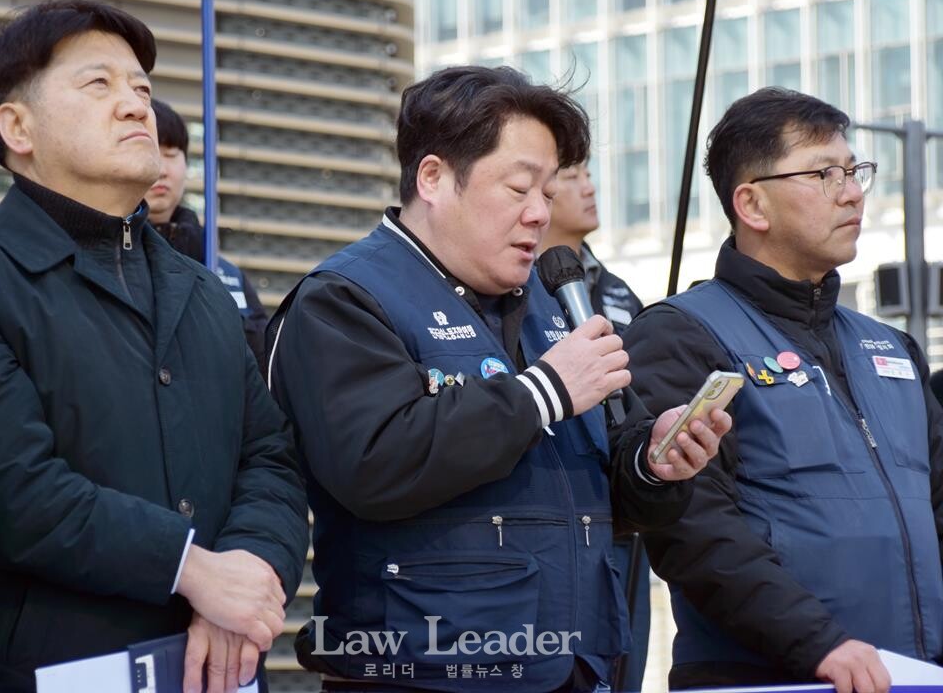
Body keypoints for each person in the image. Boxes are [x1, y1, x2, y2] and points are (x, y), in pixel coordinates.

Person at [266, 65, 730, 692]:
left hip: (579, 666)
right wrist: (543, 393)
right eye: (519, 188)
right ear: (433, 178)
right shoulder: (345, 299)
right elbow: (372, 464)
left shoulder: (555, 303)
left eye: (549, 190)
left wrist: (655, 461)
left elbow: (606, 486)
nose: (541, 213)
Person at [0, 0, 309, 693]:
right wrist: (196, 571)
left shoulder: (203, 290)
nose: (137, 108)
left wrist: (244, 574)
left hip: (214, 672)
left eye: (142, 90)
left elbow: (270, 459)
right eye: (99, 85)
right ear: (17, 127)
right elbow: (15, 494)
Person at [622, 87, 943, 693]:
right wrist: (819, 644)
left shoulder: (890, 349)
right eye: (824, 173)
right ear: (752, 204)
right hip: (769, 678)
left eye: (854, 171)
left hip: (913, 676)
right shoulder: (682, 334)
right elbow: (693, 530)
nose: (852, 192)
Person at [539, 160, 648, 692]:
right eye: (573, 174)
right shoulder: (505, 288)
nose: (590, 185)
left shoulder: (618, 291)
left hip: (624, 523)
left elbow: (636, 397)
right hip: (556, 513)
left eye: (590, 172)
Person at [144, 99, 269, 365]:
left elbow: (260, 361)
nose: (163, 170)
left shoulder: (226, 272)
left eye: (172, 154)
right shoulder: (110, 258)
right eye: (151, 151)